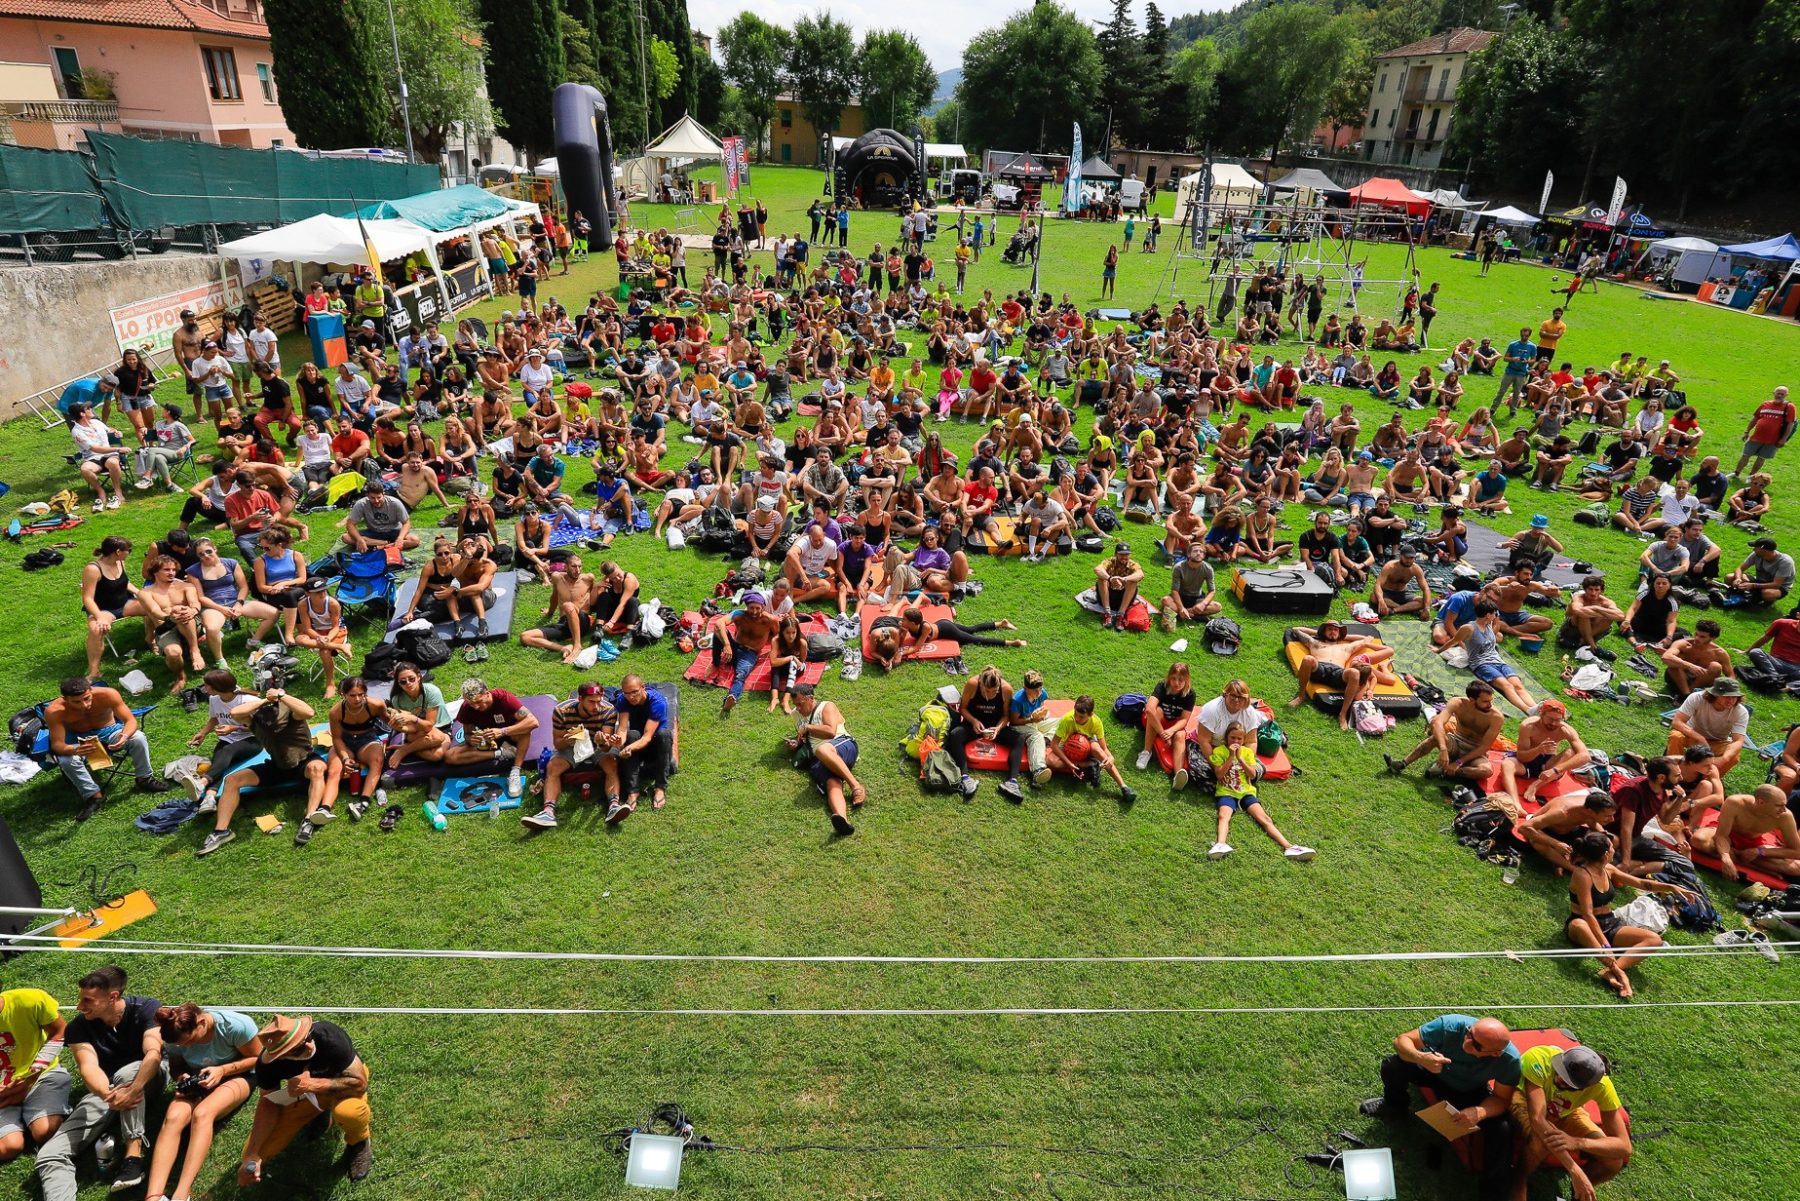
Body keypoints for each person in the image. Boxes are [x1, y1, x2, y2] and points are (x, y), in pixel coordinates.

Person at [31, 966, 161, 1199]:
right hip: (106, 1091)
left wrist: (134, 1089)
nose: (79, 1006)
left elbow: (153, 1053)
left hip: (148, 1079)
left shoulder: (146, 1008)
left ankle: (133, 1157)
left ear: (113, 997)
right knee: (50, 1154)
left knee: (127, 1073)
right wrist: (108, 1095)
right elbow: (88, 1067)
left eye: (87, 1000)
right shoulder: (78, 1027)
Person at [1358, 1015, 1520, 1201]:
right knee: (1393, 1066)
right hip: (1435, 1071)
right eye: (1469, 1033)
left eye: (1476, 1045)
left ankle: (1492, 1194)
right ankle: (1394, 1106)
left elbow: (1501, 1099)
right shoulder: (1451, 1026)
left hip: (1470, 1090)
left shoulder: (1509, 1060)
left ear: (1495, 1054)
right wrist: (1422, 1058)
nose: (1467, 1042)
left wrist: (1480, 1112)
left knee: (1503, 1129)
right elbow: (1401, 1040)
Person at [143, 1002, 263, 1201]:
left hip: (238, 1076)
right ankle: (153, 1196)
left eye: (190, 1041)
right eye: (182, 1045)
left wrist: (222, 1070)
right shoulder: (174, 1035)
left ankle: (182, 1194)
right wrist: (181, 1077)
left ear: (201, 1023)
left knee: (202, 1114)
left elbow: (258, 1058)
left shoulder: (237, 1026)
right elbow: (176, 1067)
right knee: (173, 1117)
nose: (186, 1047)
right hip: (198, 1080)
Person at [238, 1014, 373, 1185]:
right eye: (297, 1049)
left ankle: (359, 1141)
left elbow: (359, 1084)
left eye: (307, 1037)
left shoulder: (329, 1036)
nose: (309, 1045)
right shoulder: (267, 1065)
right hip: (306, 1093)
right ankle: (320, 1113)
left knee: (350, 1113)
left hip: (343, 1086)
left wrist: (313, 1085)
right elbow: (268, 1103)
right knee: (256, 1152)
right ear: (280, 1057)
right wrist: (252, 1153)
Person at [199, 687, 325, 857]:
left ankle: (309, 820)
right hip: (277, 766)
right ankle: (221, 831)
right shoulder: (255, 721)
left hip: (305, 760)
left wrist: (282, 695)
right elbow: (235, 712)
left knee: (317, 769)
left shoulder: (291, 714)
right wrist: (265, 700)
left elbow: (309, 712)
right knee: (232, 780)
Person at [1508, 1041, 1631, 1201]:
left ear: (1587, 1086)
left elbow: (1624, 1147)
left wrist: (1577, 1142)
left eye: (1569, 1083)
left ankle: (1580, 1193)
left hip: (1567, 1110)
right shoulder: (1538, 1059)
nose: (1560, 1079)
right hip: (1524, 1099)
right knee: (1541, 1141)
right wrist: (1574, 1169)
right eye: (1561, 1071)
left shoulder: (1602, 1086)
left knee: (1613, 1161)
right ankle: (1518, 1182)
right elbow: (1538, 1120)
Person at [44, 677, 171, 821]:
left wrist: (124, 736)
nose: (84, 705)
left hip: (109, 730)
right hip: (78, 739)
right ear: (65, 699)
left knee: (138, 737)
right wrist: (74, 750)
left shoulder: (108, 694)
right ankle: (94, 796)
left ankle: (145, 779)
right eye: (76, 702)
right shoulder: (55, 711)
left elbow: (130, 720)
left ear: (91, 690)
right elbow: (57, 744)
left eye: (87, 698)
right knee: (67, 760)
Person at [522, 681, 622, 830]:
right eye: (591, 702)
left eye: (599, 701)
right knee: (553, 767)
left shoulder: (609, 711)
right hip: (573, 746)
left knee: (611, 763)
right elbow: (557, 744)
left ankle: (614, 806)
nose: (596, 706)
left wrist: (602, 742)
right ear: (580, 699)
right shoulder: (561, 711)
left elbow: (606, 747)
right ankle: (548, 812)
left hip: (597, 746)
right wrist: (567, 741)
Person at [1208, 723, 1313, 861]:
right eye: (1232, 738)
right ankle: (1220, 844)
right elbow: (1219, 774)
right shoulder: (1219, 751)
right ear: (1227, 737)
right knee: (1223, 816)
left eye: (1239, 739)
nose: (1235, 741)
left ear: (1243, 740)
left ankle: (1289, 847)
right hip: (1227, 791)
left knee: (1265, 819)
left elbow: (1252, 775)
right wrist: (1231, 757)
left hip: (1246, 792)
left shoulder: (1247, 753)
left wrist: (1240, 759)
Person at [0, 985, 69, 1171]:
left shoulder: (31, 1000)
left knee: (45, 1131)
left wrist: (31, 1078)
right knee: (9, 1146)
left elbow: (60, 1031)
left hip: (41, 1076)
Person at [1385, 680, 1505, 783]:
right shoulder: (1458, 703)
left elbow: (1484, 747)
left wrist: (1459, 762)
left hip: (1475, 752)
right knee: (1435, 737)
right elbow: (1437, 722)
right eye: (1485, 701)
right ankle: (1402, 764)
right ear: (1472, 700)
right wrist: (1443, 749)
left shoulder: (1496, 717)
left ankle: (1446, 771)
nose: (1490, 705)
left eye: (1491, 701)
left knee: (1486, 771)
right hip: (1455, 742)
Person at [786, 684, 865, 835]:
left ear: (811, 698)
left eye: (800, 704)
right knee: (831, 782)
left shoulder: (826, 706)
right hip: (819, 756)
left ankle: (856, 787)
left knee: (822, 749)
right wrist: (796, 743)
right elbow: (803, 737)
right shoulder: (796, 714)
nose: (798, 708)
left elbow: (830, 732)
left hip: (841, 744)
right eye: (795, 704)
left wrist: (808, 727)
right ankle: (842, 820)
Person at [442, 678, 540, 798]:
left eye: (479, 702)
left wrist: (502, 731)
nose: (476, 707)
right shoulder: (467, 708)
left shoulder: (503, 698)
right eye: (472, 704)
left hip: (511, 735)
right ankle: (503, 753)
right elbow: (467, 734)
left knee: (525, 730)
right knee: (450, 756)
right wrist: (471, 739)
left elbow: (533, 722)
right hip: (489, 741)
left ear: (487, 693)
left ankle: (515, 771)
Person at [1440, 599, 1537, 713]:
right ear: (1488, 615)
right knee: (1507, 686)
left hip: (1498, 661)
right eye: (1495, 613)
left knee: (1518, 685)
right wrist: (1438, 650)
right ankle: (1528, 710)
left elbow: (1498, 624)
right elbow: (1454, 641)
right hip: (1481, 664)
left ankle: (1537, 708)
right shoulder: (1468, 628)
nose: (1496, 616)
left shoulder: (1489, 624)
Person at [1692, 784, 1800, 881]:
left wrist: (1760, 852)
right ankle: (1750, 864)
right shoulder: (1735, 803)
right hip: (1727, 835)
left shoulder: (1785, 817)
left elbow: (1796, 851)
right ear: (1761, 802)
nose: (1784, 810)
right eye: (1779, 805)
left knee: (1796, 868)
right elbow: (1721, 835)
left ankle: (1737, 856)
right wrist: (1726, 858)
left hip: (1754, 844)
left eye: (1784, 805)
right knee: (1698, 840)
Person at [1046, 693, 1135, 803]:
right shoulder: (1067, 719)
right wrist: (1069, 763)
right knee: (1050, 761)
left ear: (1090, 714)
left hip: (1088, 743)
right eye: (1076, 714)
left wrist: (1110, 758)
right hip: (1067, 744)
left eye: (1081, 717)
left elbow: (1104, 748)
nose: (1077, 718)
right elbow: (1054, 744)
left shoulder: (1096, 722)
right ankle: (1089, 764)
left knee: (1098, 750)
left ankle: (1124, 788)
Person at [1521, 788, 1618, 874]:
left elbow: (1592, 823)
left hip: (1569, 831)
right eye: (1608, 816)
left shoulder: (1591, 808)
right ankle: (1573, 868)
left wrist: (1605, 837)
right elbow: (1523, 828)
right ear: (1590, 812)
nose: (1612, 820)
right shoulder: (1561, 813)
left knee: (1612, 840)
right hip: (1546, 831)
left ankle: (1568, 860)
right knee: (1537, 843)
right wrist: (1556, 843)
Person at [1666, 677, 1747, 776]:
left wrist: (1724, 758)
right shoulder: (1697, 698)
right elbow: (1677, 722)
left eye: (1734, 697)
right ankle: (1673, 772)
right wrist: (1700, 738)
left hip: (1718, 741)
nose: (1730, 701)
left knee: (1734, 756)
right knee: (1676, 736)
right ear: (1715, 694)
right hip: (1692, 735)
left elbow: (1738, 741)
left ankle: (1705, 779)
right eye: (1727, 696)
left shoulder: (1741, 712)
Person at [292, 577, 350, 699]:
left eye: (323, 590)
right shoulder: (303, 605)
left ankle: (330, 684)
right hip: (316, 631)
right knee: (298, 639)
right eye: (317, 592)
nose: (322, 594)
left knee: (324, 652)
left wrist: (327, 638)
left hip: (335, 632)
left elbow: (335, 627)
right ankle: (340, 646)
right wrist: (319, 637)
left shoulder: (333, 603)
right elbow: (307, 628)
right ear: (307, 593)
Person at [1733, 384, 1795, 477]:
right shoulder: (1765, 404)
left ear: (1786, 395)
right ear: (1774, 393)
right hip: (1756, 437)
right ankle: (1736, 473)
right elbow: (1755, 418)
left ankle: (1752, 476)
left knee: (1761, 458)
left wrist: (1783, 439)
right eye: (1778, 393)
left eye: (1782, 394)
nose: (1779, 395)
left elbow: (1790, 424)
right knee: (1745, 454)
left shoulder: (1789, 407)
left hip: (1773, 440)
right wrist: (1747, 431)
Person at [343, 477, 418, 552]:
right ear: (367, 496)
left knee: (414, 540)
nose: (376, 501)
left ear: (383, 494)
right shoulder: (361, 504)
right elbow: (350, 524)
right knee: (346, 537)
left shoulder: (395, 503)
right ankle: (385, 544)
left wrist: (400, 538)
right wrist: (359, 539)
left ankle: (376, 546)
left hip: (394, 531)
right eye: (372, 498)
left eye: (379, 497)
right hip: (373, 532)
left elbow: (406, 523)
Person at [1722, 537, 1794, 605]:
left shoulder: (1785, 562)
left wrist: (1753, 585)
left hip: (1778, 587)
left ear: (1763, 550)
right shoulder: (1757, 554)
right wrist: (1738, 578)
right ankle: (1749, 595)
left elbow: (1776, 584)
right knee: (1729, 577)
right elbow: (1740, 568)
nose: (1753, 549)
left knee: (1768, 594)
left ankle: (1766, 602)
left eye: (1755, 547)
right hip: (1759, 580)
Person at [1372, 546, 1433, 620]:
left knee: (1426, 601)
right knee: (1374, 598)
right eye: (1406, 558)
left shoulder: (1416, 569)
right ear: (1401, 556)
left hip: (1402, 594)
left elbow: (1426, 588)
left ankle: (1394, 610)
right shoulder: (1390, 566)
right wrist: (1381, 601)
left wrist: (1427, 609)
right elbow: (1378, 585)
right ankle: (1408, 608)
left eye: (1411, 558)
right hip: (1387, 592)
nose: (1409, 560)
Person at [1094, 541, 1145, 630]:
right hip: (1107, 598)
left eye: (1126, 554)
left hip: (1123, 600)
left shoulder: (1133, 564)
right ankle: (1107, 613)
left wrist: (1124, 579)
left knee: (1133, 582)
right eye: (1121, 554)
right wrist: (1110, 578)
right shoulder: (1109, 561)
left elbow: (1140, 574)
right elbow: (1097, 569)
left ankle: (1120, 615)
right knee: (1102, 579)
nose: (1124, 557)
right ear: (1116, 554)